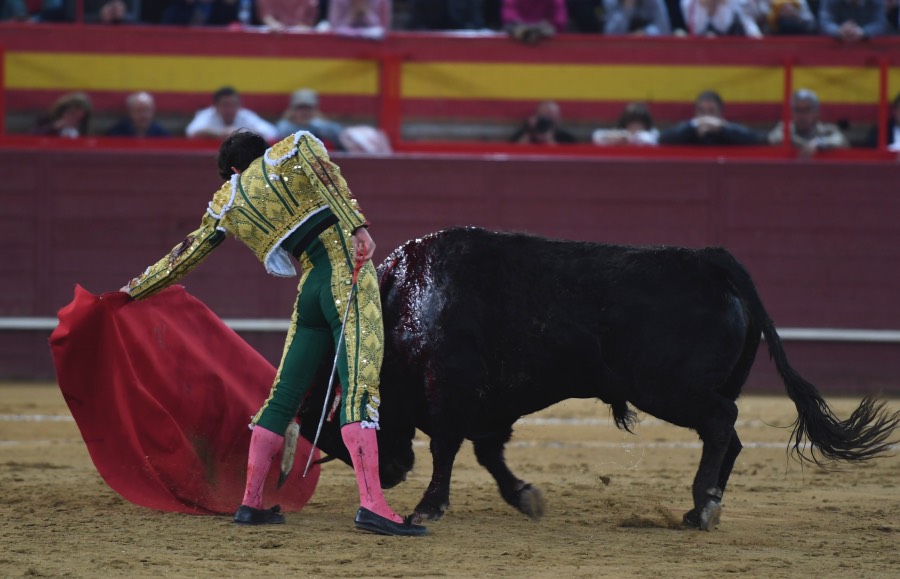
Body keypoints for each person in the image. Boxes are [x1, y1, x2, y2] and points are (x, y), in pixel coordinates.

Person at [120, 129, 427, 536]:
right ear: (264, 149)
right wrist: (357, 227)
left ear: (233, 170)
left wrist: (133, 291)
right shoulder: (295, 147)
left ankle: (250, 502)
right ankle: (372, 505)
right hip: (346, 273)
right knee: (359, 387)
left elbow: (185, 254)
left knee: (282, 396)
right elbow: (327, 176)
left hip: (310, 290)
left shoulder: (229, 200)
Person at [659, 90, 765, 145]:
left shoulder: (729, 130)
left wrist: (722, 130)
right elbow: (663, 138)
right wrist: (692, 128)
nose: (706, 116)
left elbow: (756, 139)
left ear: (720, 112)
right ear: (696, 113)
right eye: (702, 111)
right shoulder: (688, 129)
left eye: (711, 111)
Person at [768, 88, 850, 157]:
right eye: (797, 110)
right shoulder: (785, 128)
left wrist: (818, 143)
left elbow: (841, 140)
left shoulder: (826, 130)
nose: (801, 115)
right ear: (791, 113)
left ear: (816, 112)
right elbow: (774, 138)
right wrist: (807, 145)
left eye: (806, 110)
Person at [185, 86, 278, 141]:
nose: (229, 109)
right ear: (216, 106)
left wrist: (242, 133)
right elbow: (191, 132)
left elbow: (271, 133)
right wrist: (219, 133)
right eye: (225, 105)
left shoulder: (245, 115)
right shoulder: (208, 115)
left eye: (233, 105)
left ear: (239, 105)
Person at [275, 89, 345, 148]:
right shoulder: (284, 127)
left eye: (308, 108)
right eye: (301, 108)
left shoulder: (322, 126)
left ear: (315, 110)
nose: (304, 112)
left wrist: (318, 124)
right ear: (292, 110)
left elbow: (339, 134)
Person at [680, 0, 763, 36]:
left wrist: (720, 4)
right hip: (697, 54)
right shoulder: (688, 2)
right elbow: (697, 30)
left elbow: (723, 27)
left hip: (728, 51)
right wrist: (703, 7)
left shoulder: (733, 1)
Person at [510, 101, 577, 145]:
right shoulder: (523, 134)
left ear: (558, 118)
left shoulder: (566, 138)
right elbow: (515, 153)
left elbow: (565, 158)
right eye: (545, 115)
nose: (548, 120)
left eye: (552, 116)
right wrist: (530, 131)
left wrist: (549, 141)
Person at [106, 92, 171, 138]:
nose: (143, 115)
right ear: (130, 112)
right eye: (138, 111)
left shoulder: (161, 135)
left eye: (147, 110)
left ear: (153, 111)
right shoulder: (116, 134)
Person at [592, 102, 659, 146]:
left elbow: (649, 141)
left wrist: (630, 138)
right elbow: (597, 136)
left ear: (646, 123)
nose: (635, 125)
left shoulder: (653, 132)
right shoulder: (621, 133)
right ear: (626, 122)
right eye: (632, 122)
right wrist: (620, 137)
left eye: (639, 122)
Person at [818, 0, 889, 41]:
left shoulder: (876, 1)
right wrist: (838, 31)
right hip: (836, 47)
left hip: (869, 49)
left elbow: (881, 23)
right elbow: (824, 22)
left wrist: (863, 32)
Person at [603, 0, 672, 35]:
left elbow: (665, 31)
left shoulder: (654, 2)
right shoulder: (611, 2)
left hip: (649, 49)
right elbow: (608, 36)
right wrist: (627, 9)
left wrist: (646, 33)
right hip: (620, 50)